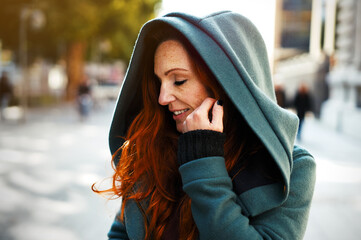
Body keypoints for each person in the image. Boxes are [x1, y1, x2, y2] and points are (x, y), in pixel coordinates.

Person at [93, 11, 316, 240]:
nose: (162, 97)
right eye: (158, 81)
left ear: (227, 85)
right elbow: (121, 233)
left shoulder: (293, 168)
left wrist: (204, 161)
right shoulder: (153, 146)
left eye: (179, 80)